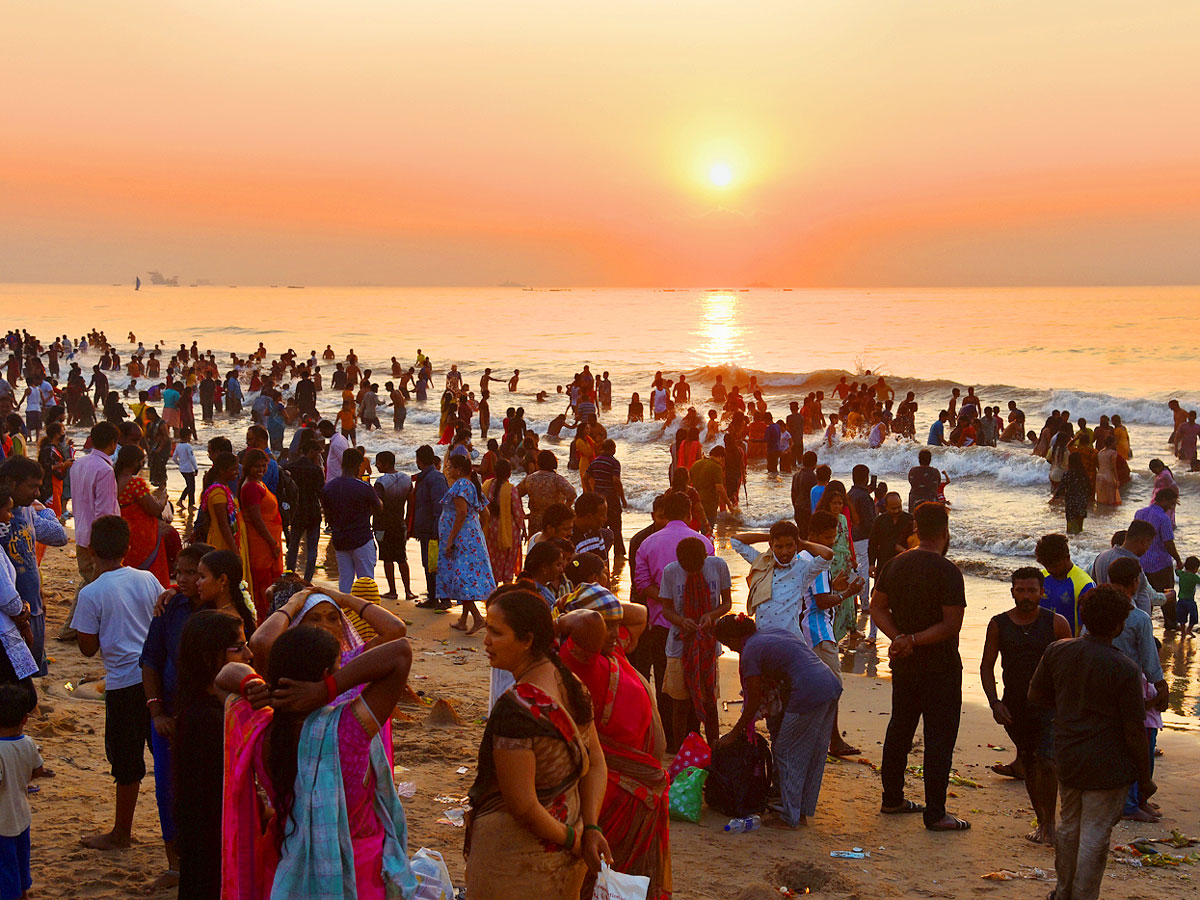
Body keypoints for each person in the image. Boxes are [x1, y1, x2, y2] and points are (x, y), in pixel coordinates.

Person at [218, 626, 418, 899]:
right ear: (325, 675)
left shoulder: (260, 727)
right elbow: (401, 652)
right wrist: (328, 690)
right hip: (358, 874)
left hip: (283, 867)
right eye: (336, 669)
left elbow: (223, 677)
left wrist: (250, 685)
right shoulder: (347, 731)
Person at [467, 589, 611, 900]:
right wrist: (592, 828)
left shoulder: (516, 711)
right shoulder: (572, 684)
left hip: (518, 865)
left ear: (528, 639)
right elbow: (597, 763)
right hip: (567, 859)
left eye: (496, 632)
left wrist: (577, 839)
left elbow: (524, 807)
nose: (486, 642)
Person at [1028, 586, 1153, 900]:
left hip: (1068, 754)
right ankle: (1083, 895)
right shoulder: (1124, 668)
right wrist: (1144, 776)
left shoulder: (1058, 650)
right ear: (1117, 626)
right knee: (1095, 833)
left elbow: (1036, 696)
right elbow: (1134, 731)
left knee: (1070, 825)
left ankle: (1062, 890)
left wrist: (1070, 711)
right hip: (1108, 764)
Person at [869, 502, 970, 831]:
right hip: (938, 664)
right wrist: (912, 639)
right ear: (945, 532)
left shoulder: (896, 565)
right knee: (939, 737)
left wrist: (900, 637)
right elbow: (950, 624)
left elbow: (877, 608)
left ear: (915, 531)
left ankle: (893, 797)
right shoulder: (948, 571)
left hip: (905, 662)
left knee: (901, 727)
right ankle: (936, 812)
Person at [69, 515, 163, 851]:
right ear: (128, 547)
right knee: (163, 754)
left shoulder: (93, 592)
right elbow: (160, 618)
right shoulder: (148, 579)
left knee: (125, 763)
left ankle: (122, 832)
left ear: (92, 549)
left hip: (123, 683)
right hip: (155, 677)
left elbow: (87, 647)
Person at [714, 615, 842, 828]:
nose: (731, 649)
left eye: (728, 643)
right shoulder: (770, 632)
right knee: (813, 753)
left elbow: (753, 700)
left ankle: (790, 816)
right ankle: (801, 810)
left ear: (735, 637)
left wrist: (734, 733)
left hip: (809, 692)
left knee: (785, 750)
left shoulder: (750, 651)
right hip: (829, 684)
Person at [979, 568, 1071, 844]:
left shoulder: (1057, 624)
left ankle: (1052, 824)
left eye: (1032, 590)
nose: (1027, 596)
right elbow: (986, 666)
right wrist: (994, 702)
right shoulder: (998, 624)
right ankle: (1042, 821)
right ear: (1012, 592)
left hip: (1050, 705)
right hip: (1015, 705)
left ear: (1042, 592)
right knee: (1029, 761)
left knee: (1048, 761)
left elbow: (1070, 668)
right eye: (1021, 590)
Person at [172, 610, 252, 900]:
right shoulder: (208, 718)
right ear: (209, 657)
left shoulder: (209, 707)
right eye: (239, 648)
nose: (249, 655)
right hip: (214, 839)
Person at [1105, 556, 1170, 822]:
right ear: (1135, 583)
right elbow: (1149, 661)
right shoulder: (1138, 617)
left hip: (1106, 682)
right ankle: (1132, 801)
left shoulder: (1100, 608)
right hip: (1134, 684)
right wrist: (1161, 685)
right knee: (1139, 744)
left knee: (1119, 745)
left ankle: (1134, 800)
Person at [657, 536, 731, 748]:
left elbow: (726, 603)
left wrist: (711, 615)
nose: (692, 572)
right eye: (687, 569)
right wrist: (682, 621)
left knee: (710, 701)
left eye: (696, 568)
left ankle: (714, 748)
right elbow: (667, 609)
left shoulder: (718, 566)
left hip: (708, 643)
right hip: (679, 645)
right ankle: (682, 751)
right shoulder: (671, 572)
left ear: (705, 558)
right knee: (680, 702)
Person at [0, 457, 67, 677]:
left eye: (39, 487)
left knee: (30, 669)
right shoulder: (4, 518)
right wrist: (46, 511)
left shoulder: (29, 512)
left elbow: (59, 537)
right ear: (10, 482)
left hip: (33, 605)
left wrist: (43, 511)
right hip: (11, 610)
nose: (37, 493)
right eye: (32, 487)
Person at [63, 421, 121, 640]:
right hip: (97, 538)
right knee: (95, 585)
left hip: (82, 532)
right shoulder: (105, 470)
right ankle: (73, 629)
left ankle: (71, 629)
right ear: (113, 443)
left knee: (89, 581)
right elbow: (104, 512)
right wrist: (105, 544)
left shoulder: (79, 464)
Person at [731, 519, 834, 640]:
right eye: (779, 546)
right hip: (763, 639)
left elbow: (827, 554)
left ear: (796, 545)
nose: (784, 552)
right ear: (771, 545)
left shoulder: (803, 568)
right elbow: (736, 540)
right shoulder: (762, 562)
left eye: (789, 545)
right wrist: (772, 536)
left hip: (790, 640)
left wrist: (802, 542)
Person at [439, 453, 496, 634]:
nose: (448, 470)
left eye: (450, 467)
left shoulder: (460, 485)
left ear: (459, 470)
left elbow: (461, 513)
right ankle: (463, 620)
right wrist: (476, 531)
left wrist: (450, 540)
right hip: (472, 537)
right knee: (465, 576)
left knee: (461, 578)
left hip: (461, 539)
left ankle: (477, 618)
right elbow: (485, 514)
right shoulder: (472, 485)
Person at [0, 683, 47, 900]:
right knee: (21, 862)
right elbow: (38, 770)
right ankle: (23, 894)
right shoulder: (28, 743)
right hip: (22, 816)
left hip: (2, 824)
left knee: (6, 869)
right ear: (25, 719)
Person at [321, 447, 382, 593]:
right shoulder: (364, 487)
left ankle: (345, 611)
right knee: (366, 580)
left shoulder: (329, 487)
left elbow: (327, 513)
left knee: (345, 580)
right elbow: (378, 507)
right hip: (361, 537)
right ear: (357, 465)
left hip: (340, 538)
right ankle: (366, 612)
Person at [1089, 519, 1173, 616]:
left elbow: (1094, 587)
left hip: (1105, 619)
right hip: (1128, 623)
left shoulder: (1102, 556)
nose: (1147, 549)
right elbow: (1148, 595)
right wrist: (1168, 596)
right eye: (1149, 544)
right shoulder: (1131, 566)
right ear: (1145, 541)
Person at [1134, 487, 1182, 629]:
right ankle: (1171, 623)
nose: (1172, 507)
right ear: (1163, 500)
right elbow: (1168, 543)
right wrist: (1178, 560)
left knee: (1143, 595)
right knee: (1167, 595)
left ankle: (1143, 623)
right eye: (1171, 503)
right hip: (1160, 564)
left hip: (1141, 561)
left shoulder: (1139, 513)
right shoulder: (1163, 518)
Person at [372, 451, 415, 601]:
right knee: (402, 557)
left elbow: (377, 505)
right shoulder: (406, 479)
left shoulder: (380, 482)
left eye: (378, 463)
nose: (376, 465)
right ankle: (408, 591)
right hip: (400, 522)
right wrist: (408, 521)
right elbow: (411, 502)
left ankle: (392, 590)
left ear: (386, 464)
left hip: (384, 524)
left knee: (387, 558)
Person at [1034, 533, 1095, 637]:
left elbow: (1087, 627)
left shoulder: (1085, 585)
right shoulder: (1041, 577)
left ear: (1067, 558)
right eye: (1046, 565)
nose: (1050, 570)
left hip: (1069, 647)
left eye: (1054, 566)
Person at [412, 445, 449, 609]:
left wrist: (436, 530)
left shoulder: (434, 478)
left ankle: (444, 599)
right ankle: (433, 597)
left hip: (433, 529)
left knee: (435, 564)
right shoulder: (427, 477)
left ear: (419, 461)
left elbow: (440, 507)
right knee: (429, 563)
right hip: (427, 528)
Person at [283, 439, 324, 583]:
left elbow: (287, 491)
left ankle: (289, 575)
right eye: (317, 453)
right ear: (312, 452)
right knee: (312, 547)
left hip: (296, 511)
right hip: (312, 510)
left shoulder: (290, 467)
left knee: (293, 545)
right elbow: (320, 492)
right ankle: (307, 580)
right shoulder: (316, 470)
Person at [518, 450, 577, 535]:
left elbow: (515, 494)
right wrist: (564, 508)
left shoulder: (530, 479)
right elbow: (572, 494)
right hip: (554, 520)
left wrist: (521, 513)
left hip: (535, 521)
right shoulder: (557, 479)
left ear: (538, 463)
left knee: (535, 545)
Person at [587, 439, 628, 559]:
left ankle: (602, 553)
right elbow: (616, 481)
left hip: (599, 499)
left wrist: (591, 491)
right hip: (611, 498)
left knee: (601, 527)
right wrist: (622, 497)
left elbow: (585, 477)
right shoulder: (614, 463)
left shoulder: (595, 461)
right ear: (612, 449)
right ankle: (619, 553)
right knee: (616, 526)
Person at [1050, 451, 1091, 534]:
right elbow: (1089, 488)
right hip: (1081, 502)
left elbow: (1061, 489)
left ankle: (1072, 543)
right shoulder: (1084, 474)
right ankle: (1080, 543)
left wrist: (1054, 498)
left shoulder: (1067, 474)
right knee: (1080, 527)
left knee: (1071, 528)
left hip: (1071, 502)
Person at [790, 451, 818, 536]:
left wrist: (795, 507)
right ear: (814, 463)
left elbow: (793, 495)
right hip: (807, 511)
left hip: (798, 508)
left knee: (802, 534)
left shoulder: (796, 475)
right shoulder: (812, 476)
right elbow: (814, 496)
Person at [1177, 556, 1200, 636]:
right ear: (1195, 569)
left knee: (1182, 617)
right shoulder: (1194, 577)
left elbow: (1177, 571)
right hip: (1190, 601)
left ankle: (1183, 631)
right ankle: (1189, 629)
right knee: (1194, 617)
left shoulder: (1181, 574)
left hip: (1180, 600)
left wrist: (1180, 566)